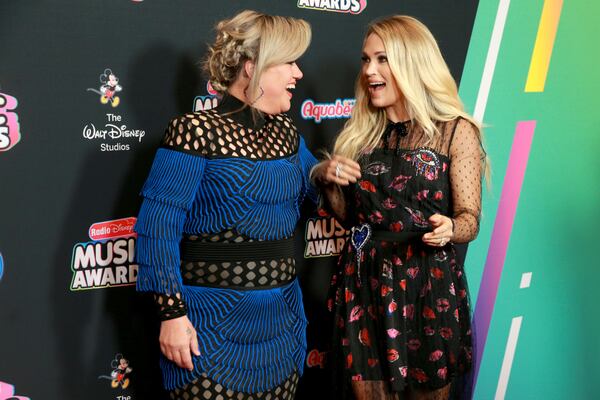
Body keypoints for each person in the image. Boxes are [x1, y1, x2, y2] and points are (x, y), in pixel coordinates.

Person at [134, 10, 316, 400]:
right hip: (206, 329)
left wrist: (331, 174)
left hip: (279, 328)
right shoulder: (193, 131)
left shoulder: (288, 135)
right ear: (252, 67)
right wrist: (171, 315)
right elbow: (158, 229)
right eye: (288, 62)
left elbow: (319, 197)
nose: (297, 73)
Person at [312, 15, 486, 400]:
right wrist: (326, 177)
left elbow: (470, 219)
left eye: (382, 59)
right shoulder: (360, 133)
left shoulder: (455, 130)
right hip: (363, 283)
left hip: (427, 285)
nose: (369, 70)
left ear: (411, 63)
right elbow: (347, 217)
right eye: (365, 60)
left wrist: (450, 229)